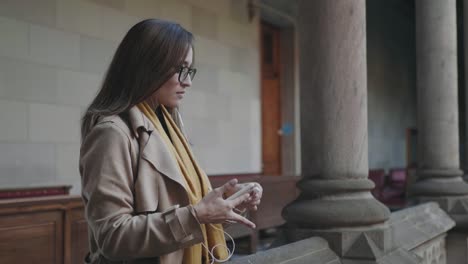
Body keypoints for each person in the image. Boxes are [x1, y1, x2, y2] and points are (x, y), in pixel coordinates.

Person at [79, 19, 263, 264]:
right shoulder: (112, 133)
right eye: (180, 69)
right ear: (148, 66)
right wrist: (196, 216)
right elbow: (112, 236)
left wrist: (228, 199)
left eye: (190, 70)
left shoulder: (170, 126)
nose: (188, 82)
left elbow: (183, 203)